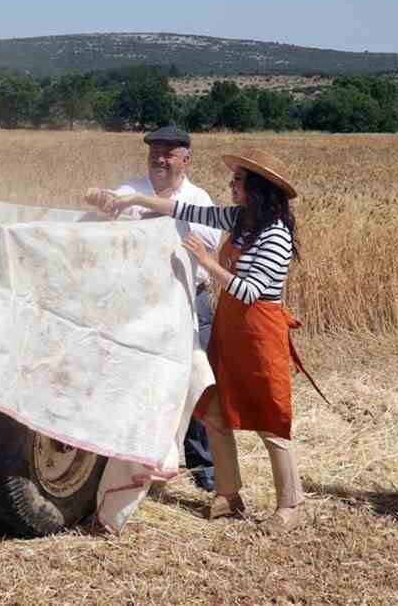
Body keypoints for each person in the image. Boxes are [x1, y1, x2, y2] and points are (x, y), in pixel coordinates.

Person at [106, 146, 306, 531]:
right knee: (215, 411)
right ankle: (228, 495)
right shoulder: (242, 219)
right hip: (232, 328)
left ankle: (291, 505)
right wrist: (135, 198)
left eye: (237, 181)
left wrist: (207, 262)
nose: (230, 185)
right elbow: (187, 211)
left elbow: (250, 291)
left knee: (270, 419)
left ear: (258, 189)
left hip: (261, 332)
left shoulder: (276, 234)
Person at [83, 125, 220, 492]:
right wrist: (100, 200)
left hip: (190, 301)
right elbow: (109, 210)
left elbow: (207, 239)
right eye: (154, 153)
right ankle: (137, 464)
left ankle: (204, 472)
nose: (159, 159)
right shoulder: (131, 188)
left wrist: (155, 216)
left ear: (186, 159)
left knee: (195, 387)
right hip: (140, 305)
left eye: (168, 154)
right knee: (137, 381)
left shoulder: (199, 198)